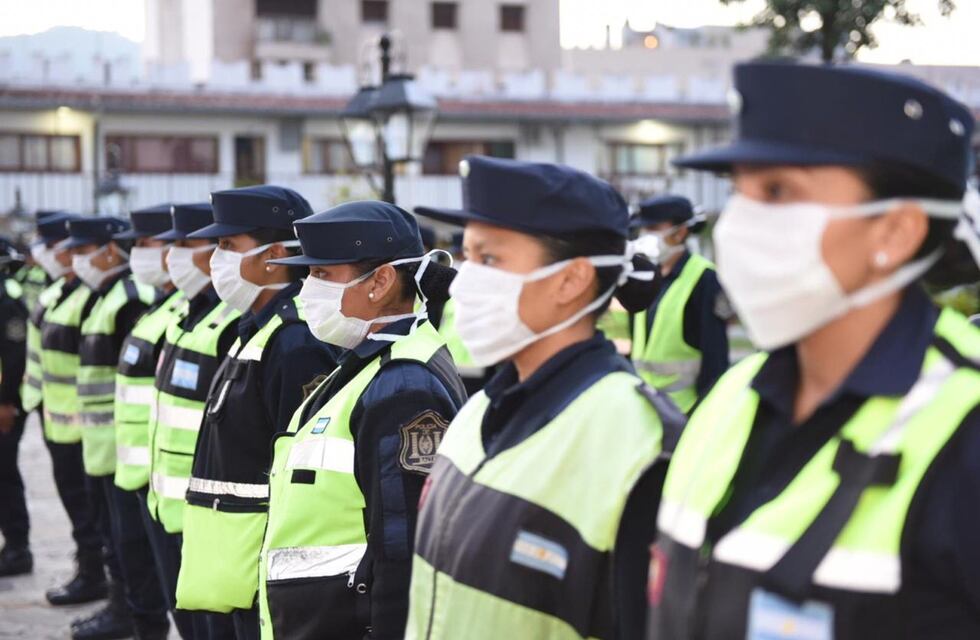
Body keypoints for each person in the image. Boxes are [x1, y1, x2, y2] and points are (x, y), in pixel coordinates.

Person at [646, 62, 980, 640]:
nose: (738, 224)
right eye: (739, 192)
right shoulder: (731, 398)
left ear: (895, 232)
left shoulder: (965, 427)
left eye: (777, 191)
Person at [406, 156, 682, 639]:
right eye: (468, 256)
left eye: (490, 259)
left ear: (572, 280)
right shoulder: (478, 412)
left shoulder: (635, 441)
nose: (466, 281)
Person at [255, 200, 467, 640]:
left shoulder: (404, 386)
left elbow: (403, 549)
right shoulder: (366, 362)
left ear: (382, 281)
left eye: (323, 275)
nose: (306, 289)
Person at [175, 186, 340, 640]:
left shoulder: (295, 340)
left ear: (276, 256)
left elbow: (298, 464)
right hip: (232, 555)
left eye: (229, 246)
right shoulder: (252, 327)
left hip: (263, 560)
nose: (216, 259)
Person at [144, 201, 240, 639]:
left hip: (210, 511)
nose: (174, 257)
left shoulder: (234, 321)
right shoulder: (188, 313)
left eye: (189, 244)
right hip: (166, 498)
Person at [67, 215, 156, 640]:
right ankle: (121, 609)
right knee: (113, 536)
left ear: (108, 251)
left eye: (84, 251)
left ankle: (132, 616)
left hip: (128, 444)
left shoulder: (130, 298)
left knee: (131, 544)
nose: (75, 259)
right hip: (104, 440)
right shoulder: (105, 295)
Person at [106, 204, 181, 640]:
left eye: (146, 245)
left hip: (177, 487)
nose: (138, 253)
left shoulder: (152, 305)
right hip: (139, 466)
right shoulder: (165, 311)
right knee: (135, 558)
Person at [39, 214, 108, 607]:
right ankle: (89, 570)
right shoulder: (65, 292)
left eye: (80, 250)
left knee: (90, 511)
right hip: (58, 418)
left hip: (86, 426)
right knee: (78, 506)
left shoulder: (93, 298)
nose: (70, 257)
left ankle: (95, 576)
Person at [630, 195, 731, 413]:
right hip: (645, 408)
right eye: (643, 229)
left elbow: (715, 357)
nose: (645, 235)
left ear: (680, 233)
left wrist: (706, 416)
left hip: (685, 412)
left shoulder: (705, 278)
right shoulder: (644, 274)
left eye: (654, 228)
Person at [0, 238, 30, 576]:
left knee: (5, 474)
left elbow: (13, 354)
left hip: (4, 403)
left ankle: (19, 549)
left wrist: (6, 402)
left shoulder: (7, 297)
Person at [433, 231, 492, 395]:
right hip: (449, 367)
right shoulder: (453, 290)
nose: (462, 262)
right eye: (462, 255)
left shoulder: (487, 290)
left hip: (478, 370)